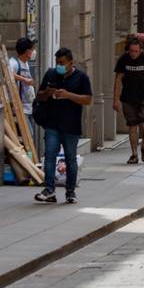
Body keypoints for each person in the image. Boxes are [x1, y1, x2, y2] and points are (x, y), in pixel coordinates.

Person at [34, 47, 92, 204]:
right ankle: (49, 189)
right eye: (57, 62)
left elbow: (87, 99)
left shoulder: (81, 78)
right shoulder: (51, 74)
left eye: (62, 62)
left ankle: (70, 191)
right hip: (52, 124)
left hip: (71, 126)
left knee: (70, 159)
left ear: (70, 63)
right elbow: (39, 96)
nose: (59, 65)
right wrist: (47, 93)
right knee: (50, 156)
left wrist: (68, 95)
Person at [112, 33, 144, 165]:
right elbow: (118, 79)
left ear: (140, 49)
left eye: (136, 51)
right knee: (132, 125)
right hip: (128, 96)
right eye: (131, 51)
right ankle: (134, 154)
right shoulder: (124, 59)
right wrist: (115, 99)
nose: (133, 54)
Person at [9, 37, 38, 120]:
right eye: (32, 49)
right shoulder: (13, 62)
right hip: (20, 109)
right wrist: (24, 79)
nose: (34, 52)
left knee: (31, 133)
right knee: (29, 132)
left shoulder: (26, 64)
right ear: (27, 51)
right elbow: (8, 74)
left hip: (29, 108)